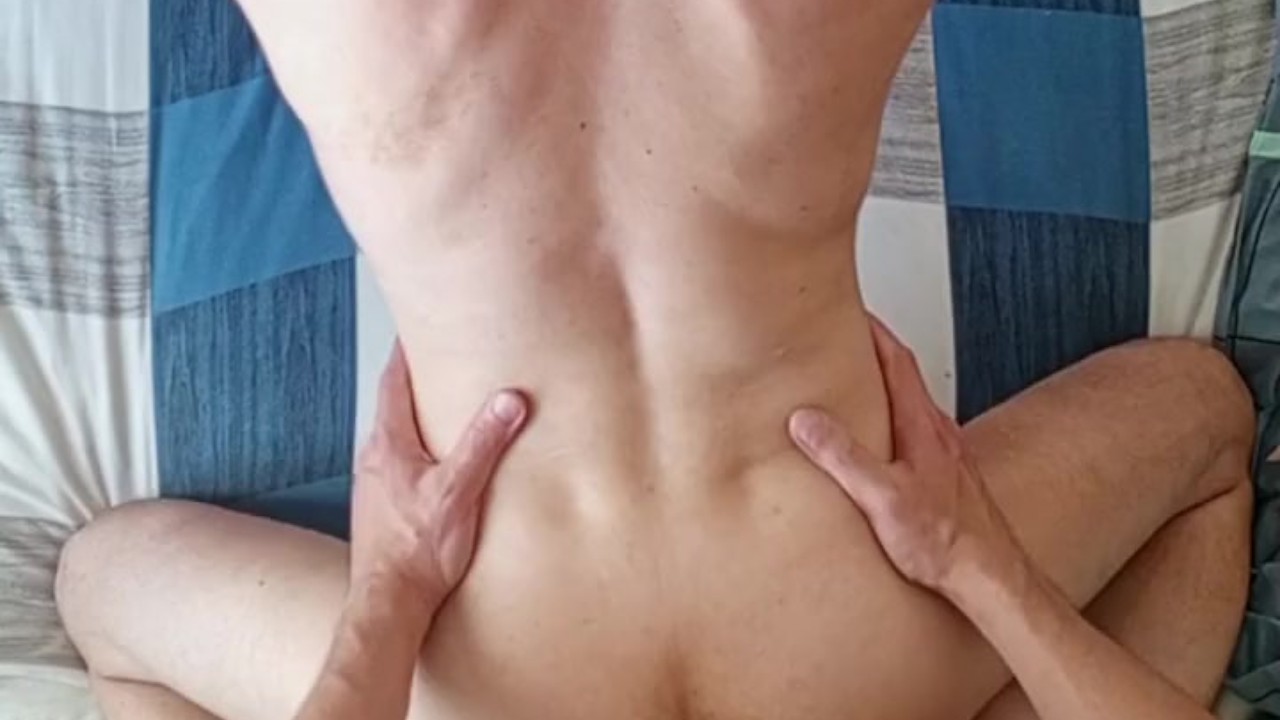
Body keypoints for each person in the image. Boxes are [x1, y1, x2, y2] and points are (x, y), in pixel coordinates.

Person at [54, 0, 1255, 718]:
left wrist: (389, 601)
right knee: (1201, 412)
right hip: (828, 620)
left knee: (100, 580)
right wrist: (977, 570)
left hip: (526, 661)